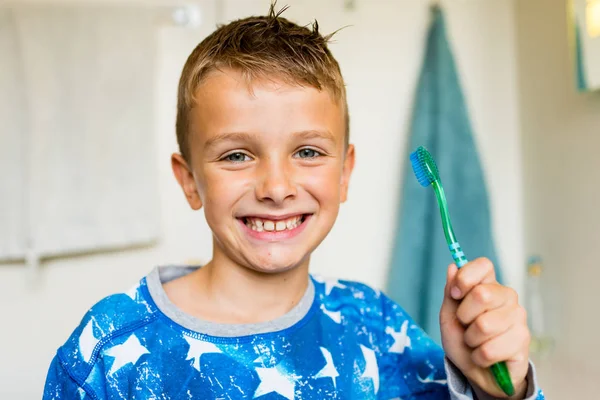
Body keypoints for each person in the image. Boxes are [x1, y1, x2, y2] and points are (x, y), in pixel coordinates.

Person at [43, 4, 543, 399]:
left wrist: (497, 391)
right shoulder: (107, 350)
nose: (277, 187)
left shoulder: (374, 325)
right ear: (189, 180)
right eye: (237, 155)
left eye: (307, 151)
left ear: (344, 173)